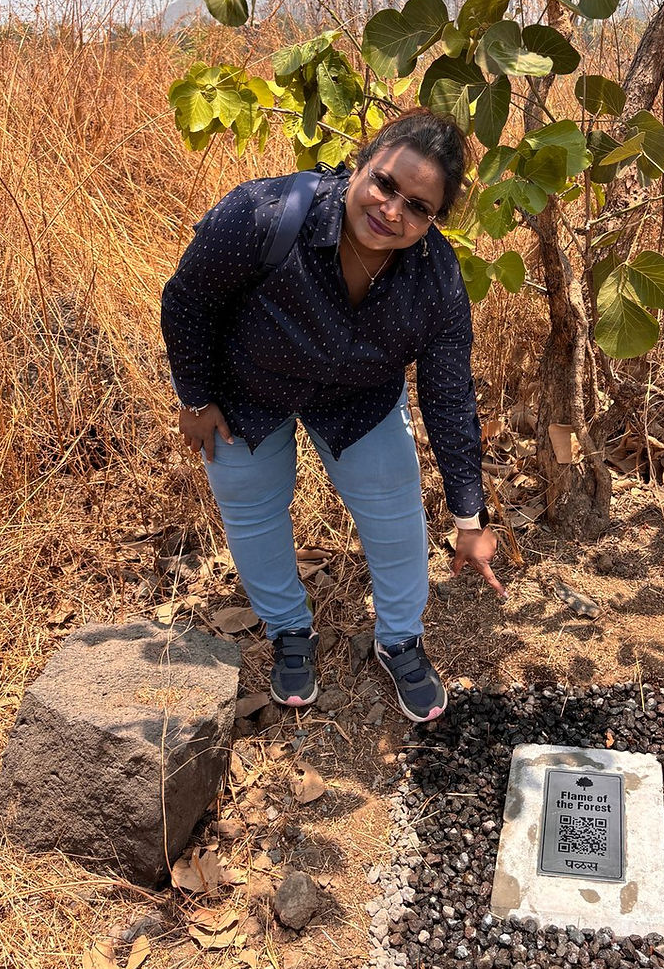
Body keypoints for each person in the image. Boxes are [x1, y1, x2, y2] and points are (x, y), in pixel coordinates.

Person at [161, 110, 504, 723]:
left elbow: (449, 394)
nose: (393, 211)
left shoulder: (436, 280)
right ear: (362, 161)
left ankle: (399, 637)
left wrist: (468, 514)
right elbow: (189, 298)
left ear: (435, 221)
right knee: (251, 509)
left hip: (360, 399)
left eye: (419, 207)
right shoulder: (264, 215)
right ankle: (289, 630)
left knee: (395, 513)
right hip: (248, 390)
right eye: (385, 184)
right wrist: (196, 397)